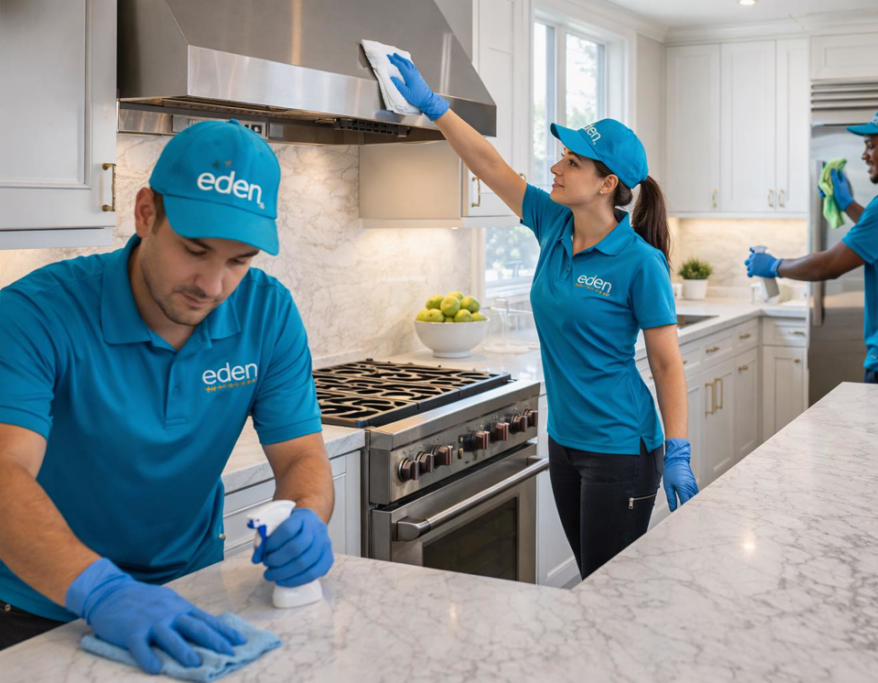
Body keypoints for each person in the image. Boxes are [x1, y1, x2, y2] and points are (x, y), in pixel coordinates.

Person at [0, 120, 335, 671]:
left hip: (192, 595)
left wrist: (308, 516)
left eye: (238, 260)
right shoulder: (35, 315)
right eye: (195, 250)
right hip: (41, 608)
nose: (212, 284)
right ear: (145, 214)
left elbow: (301, 455)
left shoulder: (268, 313)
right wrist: (101, 590)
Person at [387, 54, 698, 580]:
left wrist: (678, 450)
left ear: (606, 183)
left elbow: (667, 364)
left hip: (621, 447)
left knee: (610, 593)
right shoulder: (554, 223)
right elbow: (489, 165)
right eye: (562, 156)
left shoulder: (640, 263)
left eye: (572, 161)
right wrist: (435, 109)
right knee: (589, 576)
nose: (556, 167)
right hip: (567, 442)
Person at [745, 104, 878, 388]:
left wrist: (775, 266)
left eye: (871, 145)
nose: (864, 154)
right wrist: (847, 204)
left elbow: (829, 265)